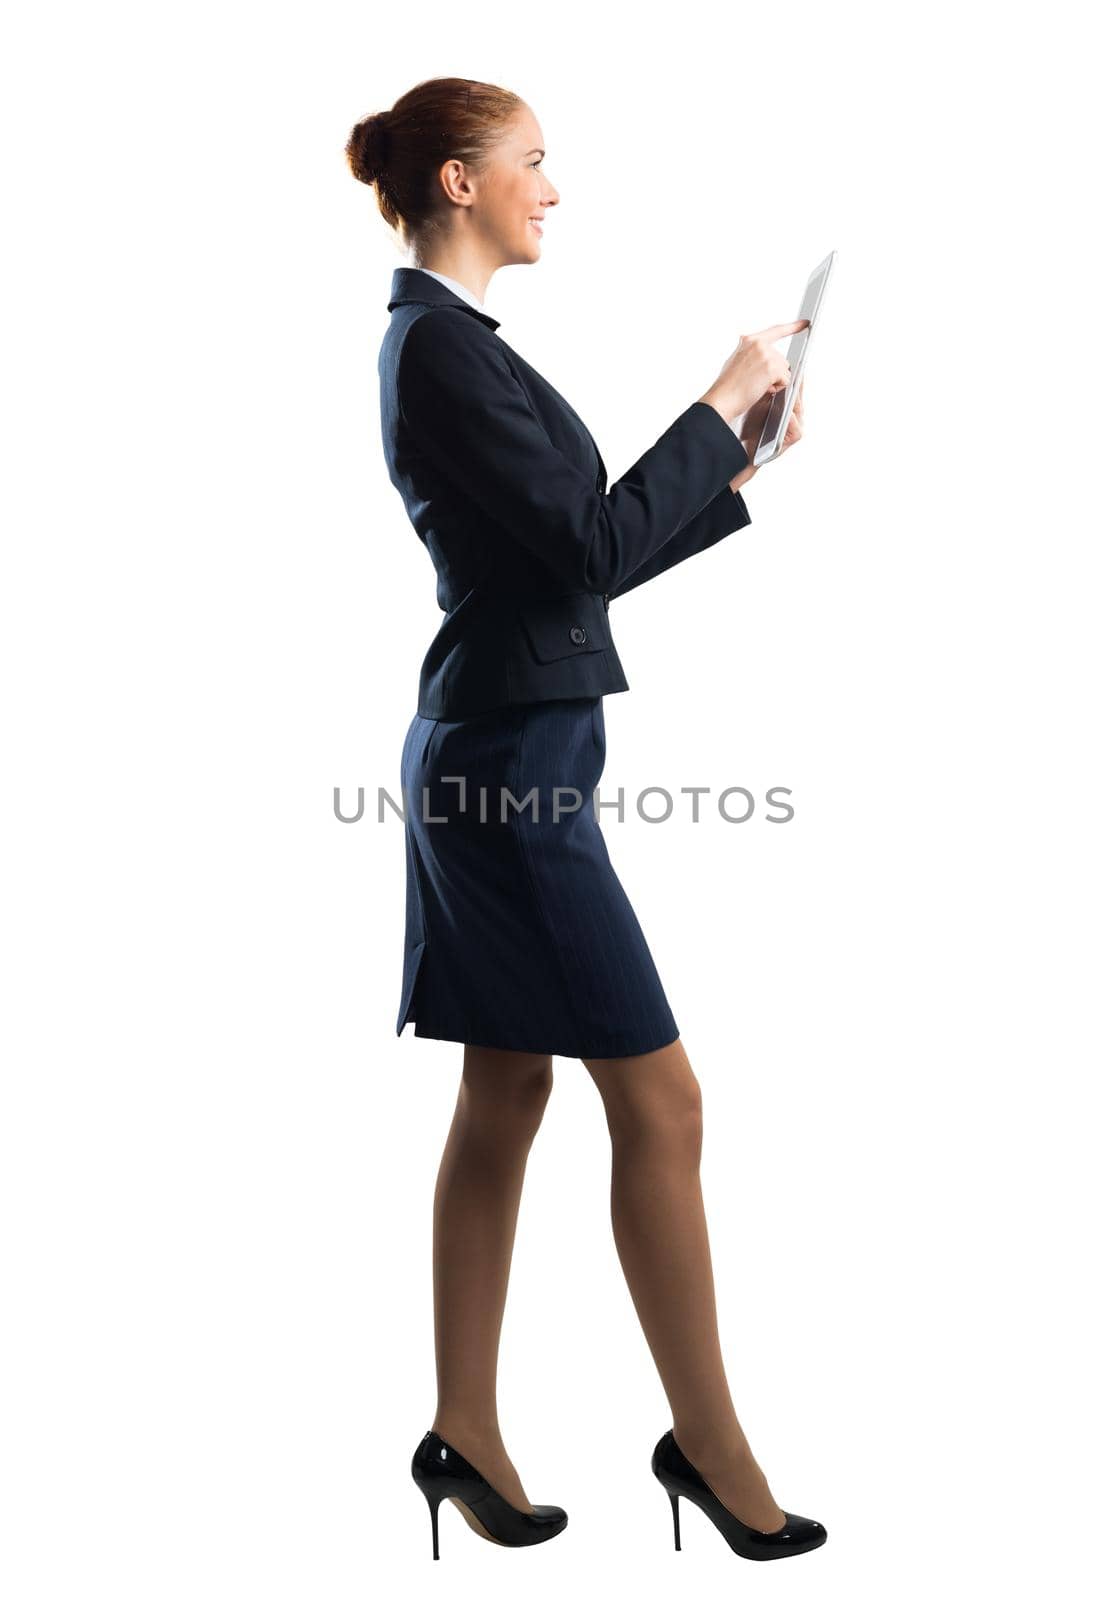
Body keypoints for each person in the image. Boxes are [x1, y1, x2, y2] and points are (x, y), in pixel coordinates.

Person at [346, 76, 825, 1563]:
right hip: (511, 781)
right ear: (460, 181)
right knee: (663, 1102)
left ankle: (463, 1436)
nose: (552, 189)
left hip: (504, 745)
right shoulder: (436, 352)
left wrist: (734, 469)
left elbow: (574, 565)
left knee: (508, 1094)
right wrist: (715, 398)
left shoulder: (457, 350)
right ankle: (713, 1449)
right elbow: (586, 544)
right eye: (532, 165)